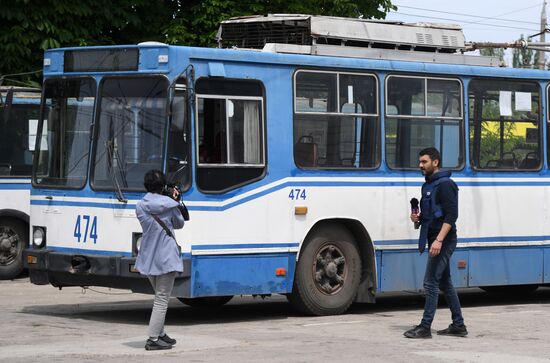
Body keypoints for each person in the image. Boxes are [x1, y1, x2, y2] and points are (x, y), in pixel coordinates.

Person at [404, 147, 467, 339]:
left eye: (424, 162)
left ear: (435, 162)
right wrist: (418, 218)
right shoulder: (428, 185)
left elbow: (451, 216)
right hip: (433, 237)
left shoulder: (446, 185)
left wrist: (439, 240)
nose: (420, 165)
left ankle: (424, 327)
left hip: (444, 239)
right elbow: (432, 214)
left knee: (430, 282)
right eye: (420, 162)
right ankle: (459, 325)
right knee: (445, 283)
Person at [136, 169, 185, 350]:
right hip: (166, 258)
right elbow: (179, 224)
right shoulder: (170, 204)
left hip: (148, 258)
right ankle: (154, 338)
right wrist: (175, 200)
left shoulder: (140, 206)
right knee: (162, 299)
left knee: (158, 296)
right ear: (163, 186)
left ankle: (161, 333)